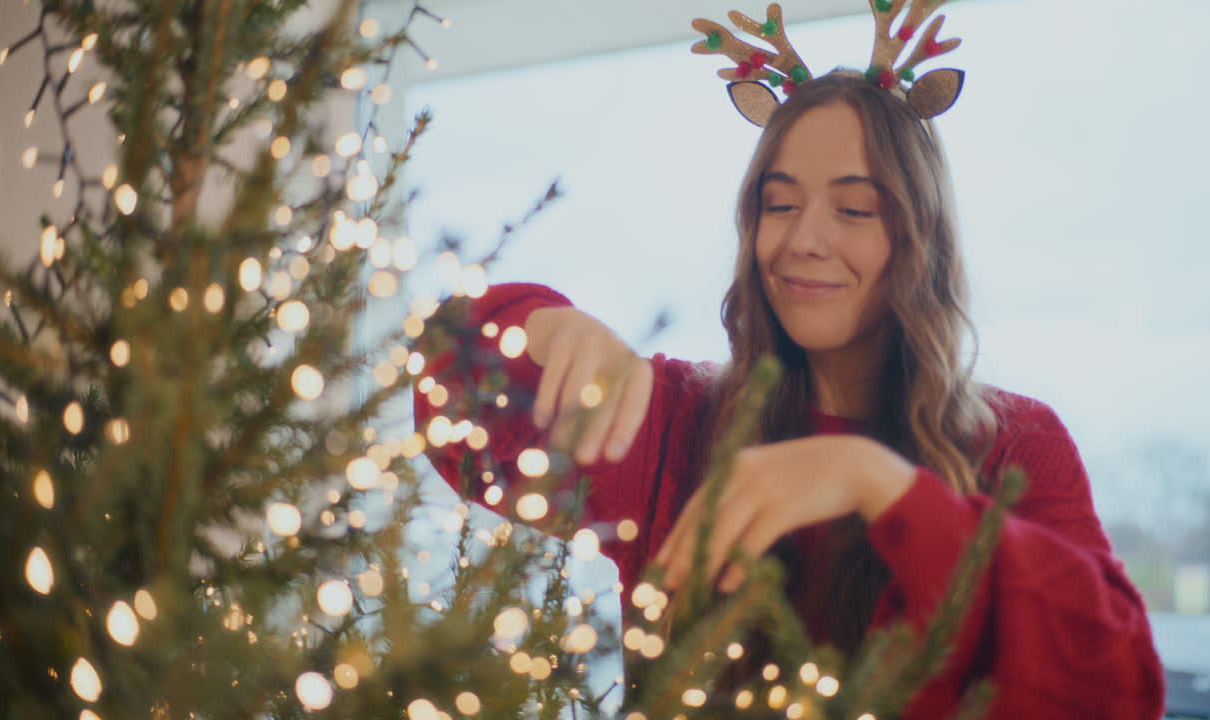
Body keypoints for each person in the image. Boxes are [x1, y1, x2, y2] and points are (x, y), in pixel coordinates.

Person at [412, 64, 1164, 720]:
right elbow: (457, 418)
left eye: (854, 209)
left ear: (920, 235)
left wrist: (877, 486)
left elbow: (1116, 688)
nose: (804, 239)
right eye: (779, 204)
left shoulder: (1015, 444)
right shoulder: (680, 420)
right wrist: (535, 323)